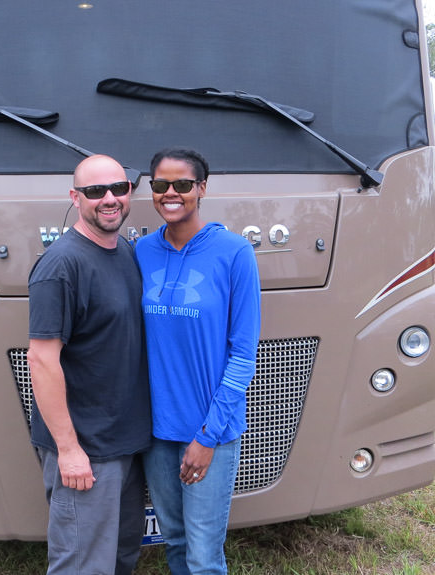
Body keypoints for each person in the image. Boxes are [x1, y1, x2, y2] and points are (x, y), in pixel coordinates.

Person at [135, 148, 261, 574]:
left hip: (212, 431)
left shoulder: (234, 253)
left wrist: (207, 438)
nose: (171, 193)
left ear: (201, 189)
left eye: (182, 185)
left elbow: (243, 356)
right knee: (174, 539)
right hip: (156, 433)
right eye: (160, 185)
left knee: (204, 555)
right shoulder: (141, 252)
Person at [26, 154, 151, 575]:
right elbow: (41, 361)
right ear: (75, 198)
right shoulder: (61, 265)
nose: (109, 199)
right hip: (86, 451)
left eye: (118, 188)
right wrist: (68, 450)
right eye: (96, 192)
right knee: (81, 565)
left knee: (119, 558)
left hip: (123, 444)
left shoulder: (125, 253)